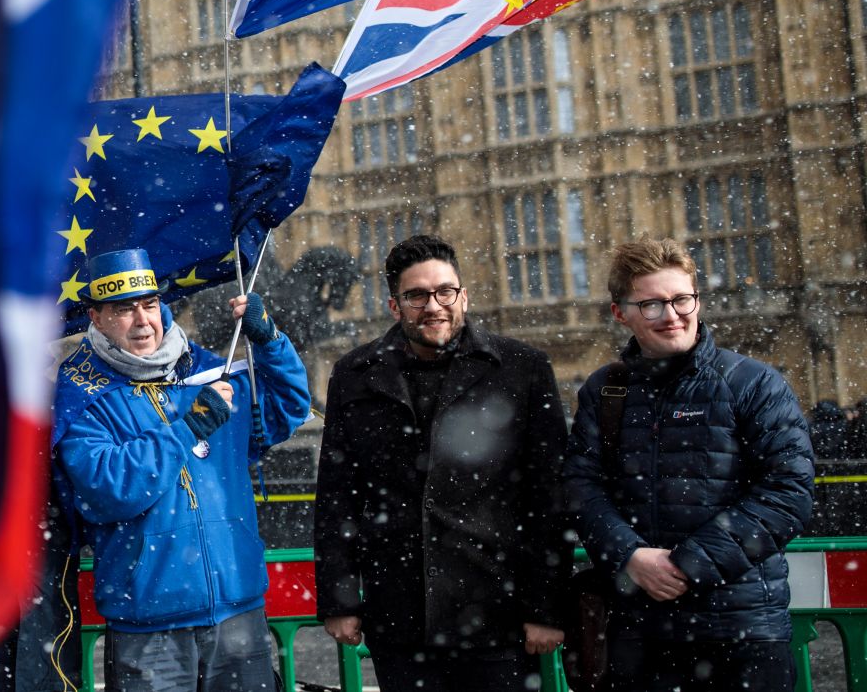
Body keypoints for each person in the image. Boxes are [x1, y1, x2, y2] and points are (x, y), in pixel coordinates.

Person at [312, 234, 572, 691]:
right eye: (416, 295)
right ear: (395, 306)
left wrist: (545, 609)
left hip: (497, 611)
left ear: (463, 296)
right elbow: (338, 494)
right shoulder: (355, 375)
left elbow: (549, 495)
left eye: (444, 292)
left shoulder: (522, 368)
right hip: (400, 616)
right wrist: (340, 599)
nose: (433, 306)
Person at [52, 248, 312, 692]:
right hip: (149, 621)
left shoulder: (207, 371)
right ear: (96, 317)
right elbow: (110, 489)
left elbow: (285, 411)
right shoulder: (80, 396)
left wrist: (269, 342)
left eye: (149, 305)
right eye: (123, 310)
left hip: (238, 611)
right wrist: (187, 428)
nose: (142, 321)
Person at [564, 238, 813, 692]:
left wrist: (687, 564)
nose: (673, 315)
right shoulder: (606, 390)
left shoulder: (755, 383)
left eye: (682, 299)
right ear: (622, 313)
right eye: (653, 305)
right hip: (641, 629)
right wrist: (631, 557)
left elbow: (789, 495)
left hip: (742, 629)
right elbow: (581, 488)